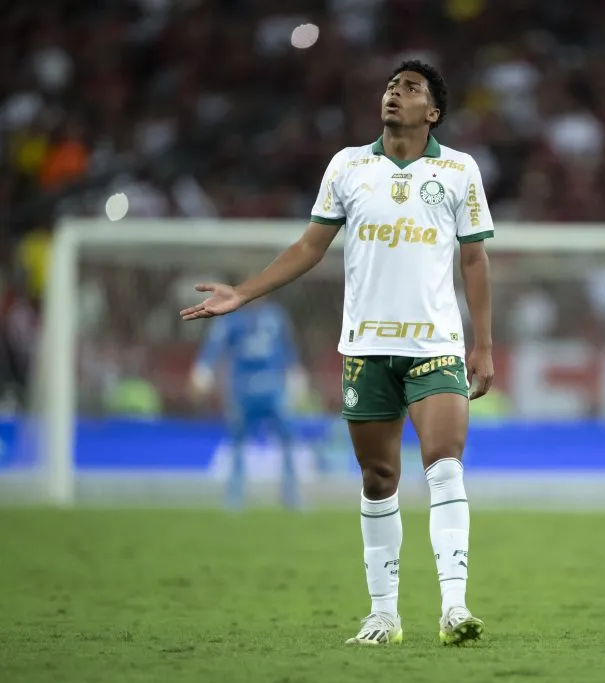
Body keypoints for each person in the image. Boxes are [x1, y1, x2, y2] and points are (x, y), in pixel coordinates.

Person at [180, 60, 494, 646]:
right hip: (367, 348)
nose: (394, 93)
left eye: (411, 88)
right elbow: (309, 245)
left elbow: (473, 258)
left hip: (437, 345)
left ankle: (455, 607)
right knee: (379, 478)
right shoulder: (347, 166)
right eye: (390, 85)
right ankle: (384, 615)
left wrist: (484, 343)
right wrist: (243, 293)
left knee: (445, 466)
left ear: (434, 112)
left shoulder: (458, 171)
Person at [191, 299, 305, 510]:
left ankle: (291, 494)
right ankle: (235, 496)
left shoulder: (276, 315)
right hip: (243, 388)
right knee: (238, 442)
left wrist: (295, 373)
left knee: (288, 438)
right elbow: (215, 344)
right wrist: (203, 369)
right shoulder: (231, 318)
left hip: (273, 386)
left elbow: (287, 347)